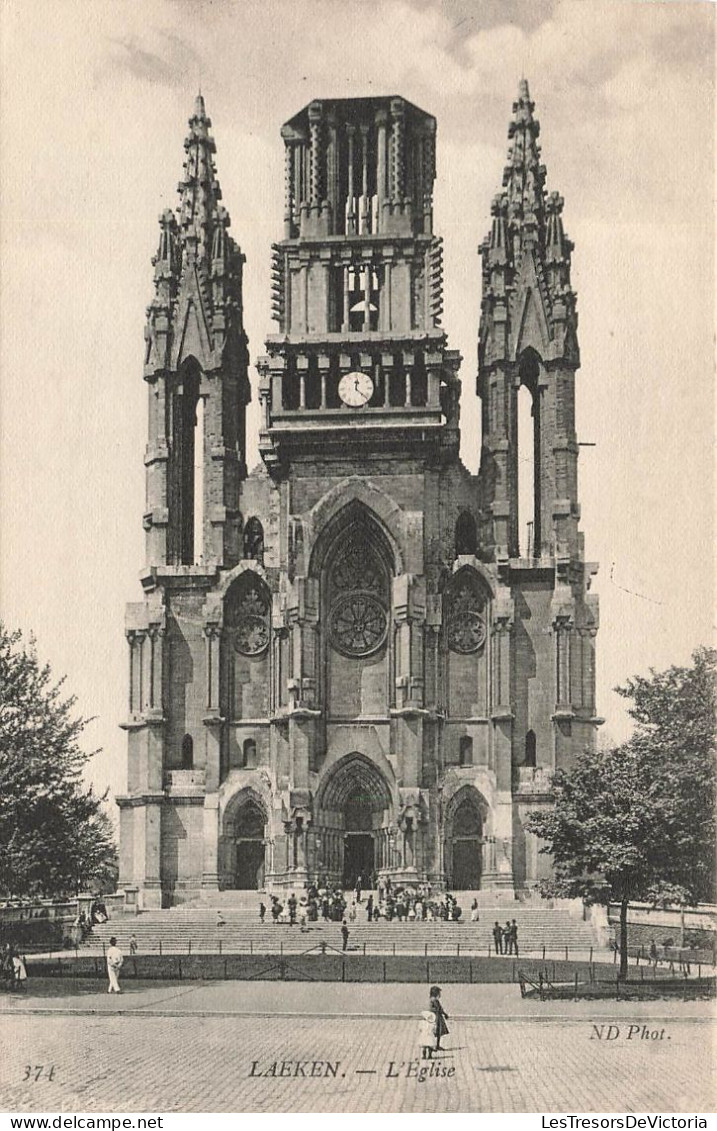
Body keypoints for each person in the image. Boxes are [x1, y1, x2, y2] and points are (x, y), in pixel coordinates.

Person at [429, 985, 449, 1052]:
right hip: (436, 1018)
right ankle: (434, 1045)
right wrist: (444, 1014)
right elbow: (438, 1009)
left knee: (437, 1032)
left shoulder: (433, 1000)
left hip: (437, 1017)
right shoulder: (434, 1001)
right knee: (436, 1032)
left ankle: (436, 1045)